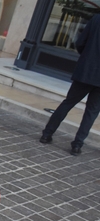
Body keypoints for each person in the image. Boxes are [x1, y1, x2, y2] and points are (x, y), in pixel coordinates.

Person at [40, 13, 100, 155]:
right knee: (92, 111)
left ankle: (47, 133)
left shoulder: (97, 18)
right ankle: (77, 144)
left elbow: (80, 42)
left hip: (86, 69)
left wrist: (86, 56)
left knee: (68, 102)